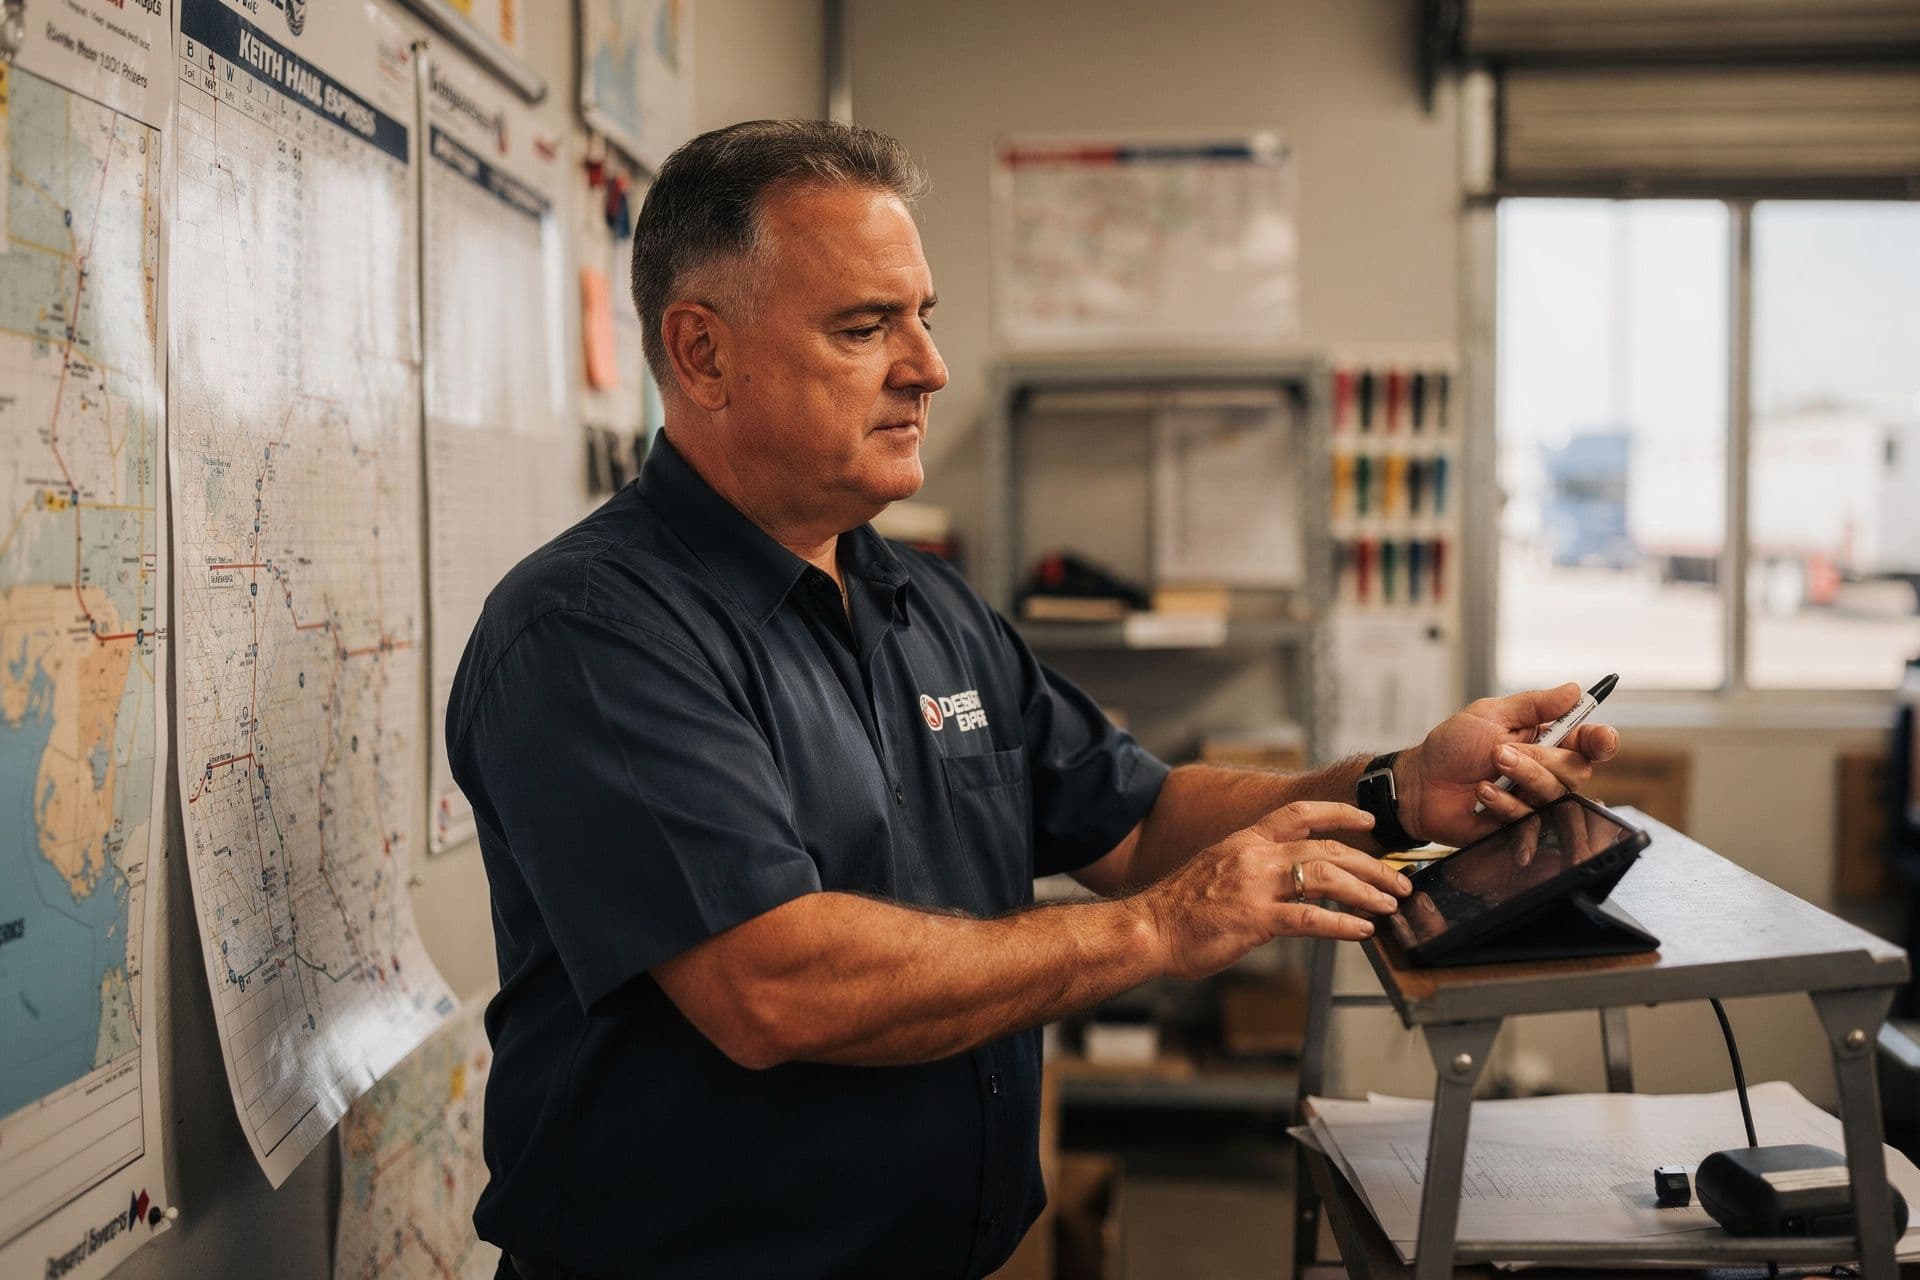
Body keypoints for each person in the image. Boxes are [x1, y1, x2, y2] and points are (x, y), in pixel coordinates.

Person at [446, 120, 1620, 1280]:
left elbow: (1140, 821)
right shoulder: (594, 632)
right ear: (701, 353)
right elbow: (775, 983)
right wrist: (1156, 927)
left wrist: (1400, 787)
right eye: (866, 327)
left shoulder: (922, 601)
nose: (928, 367)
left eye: (924, 317)